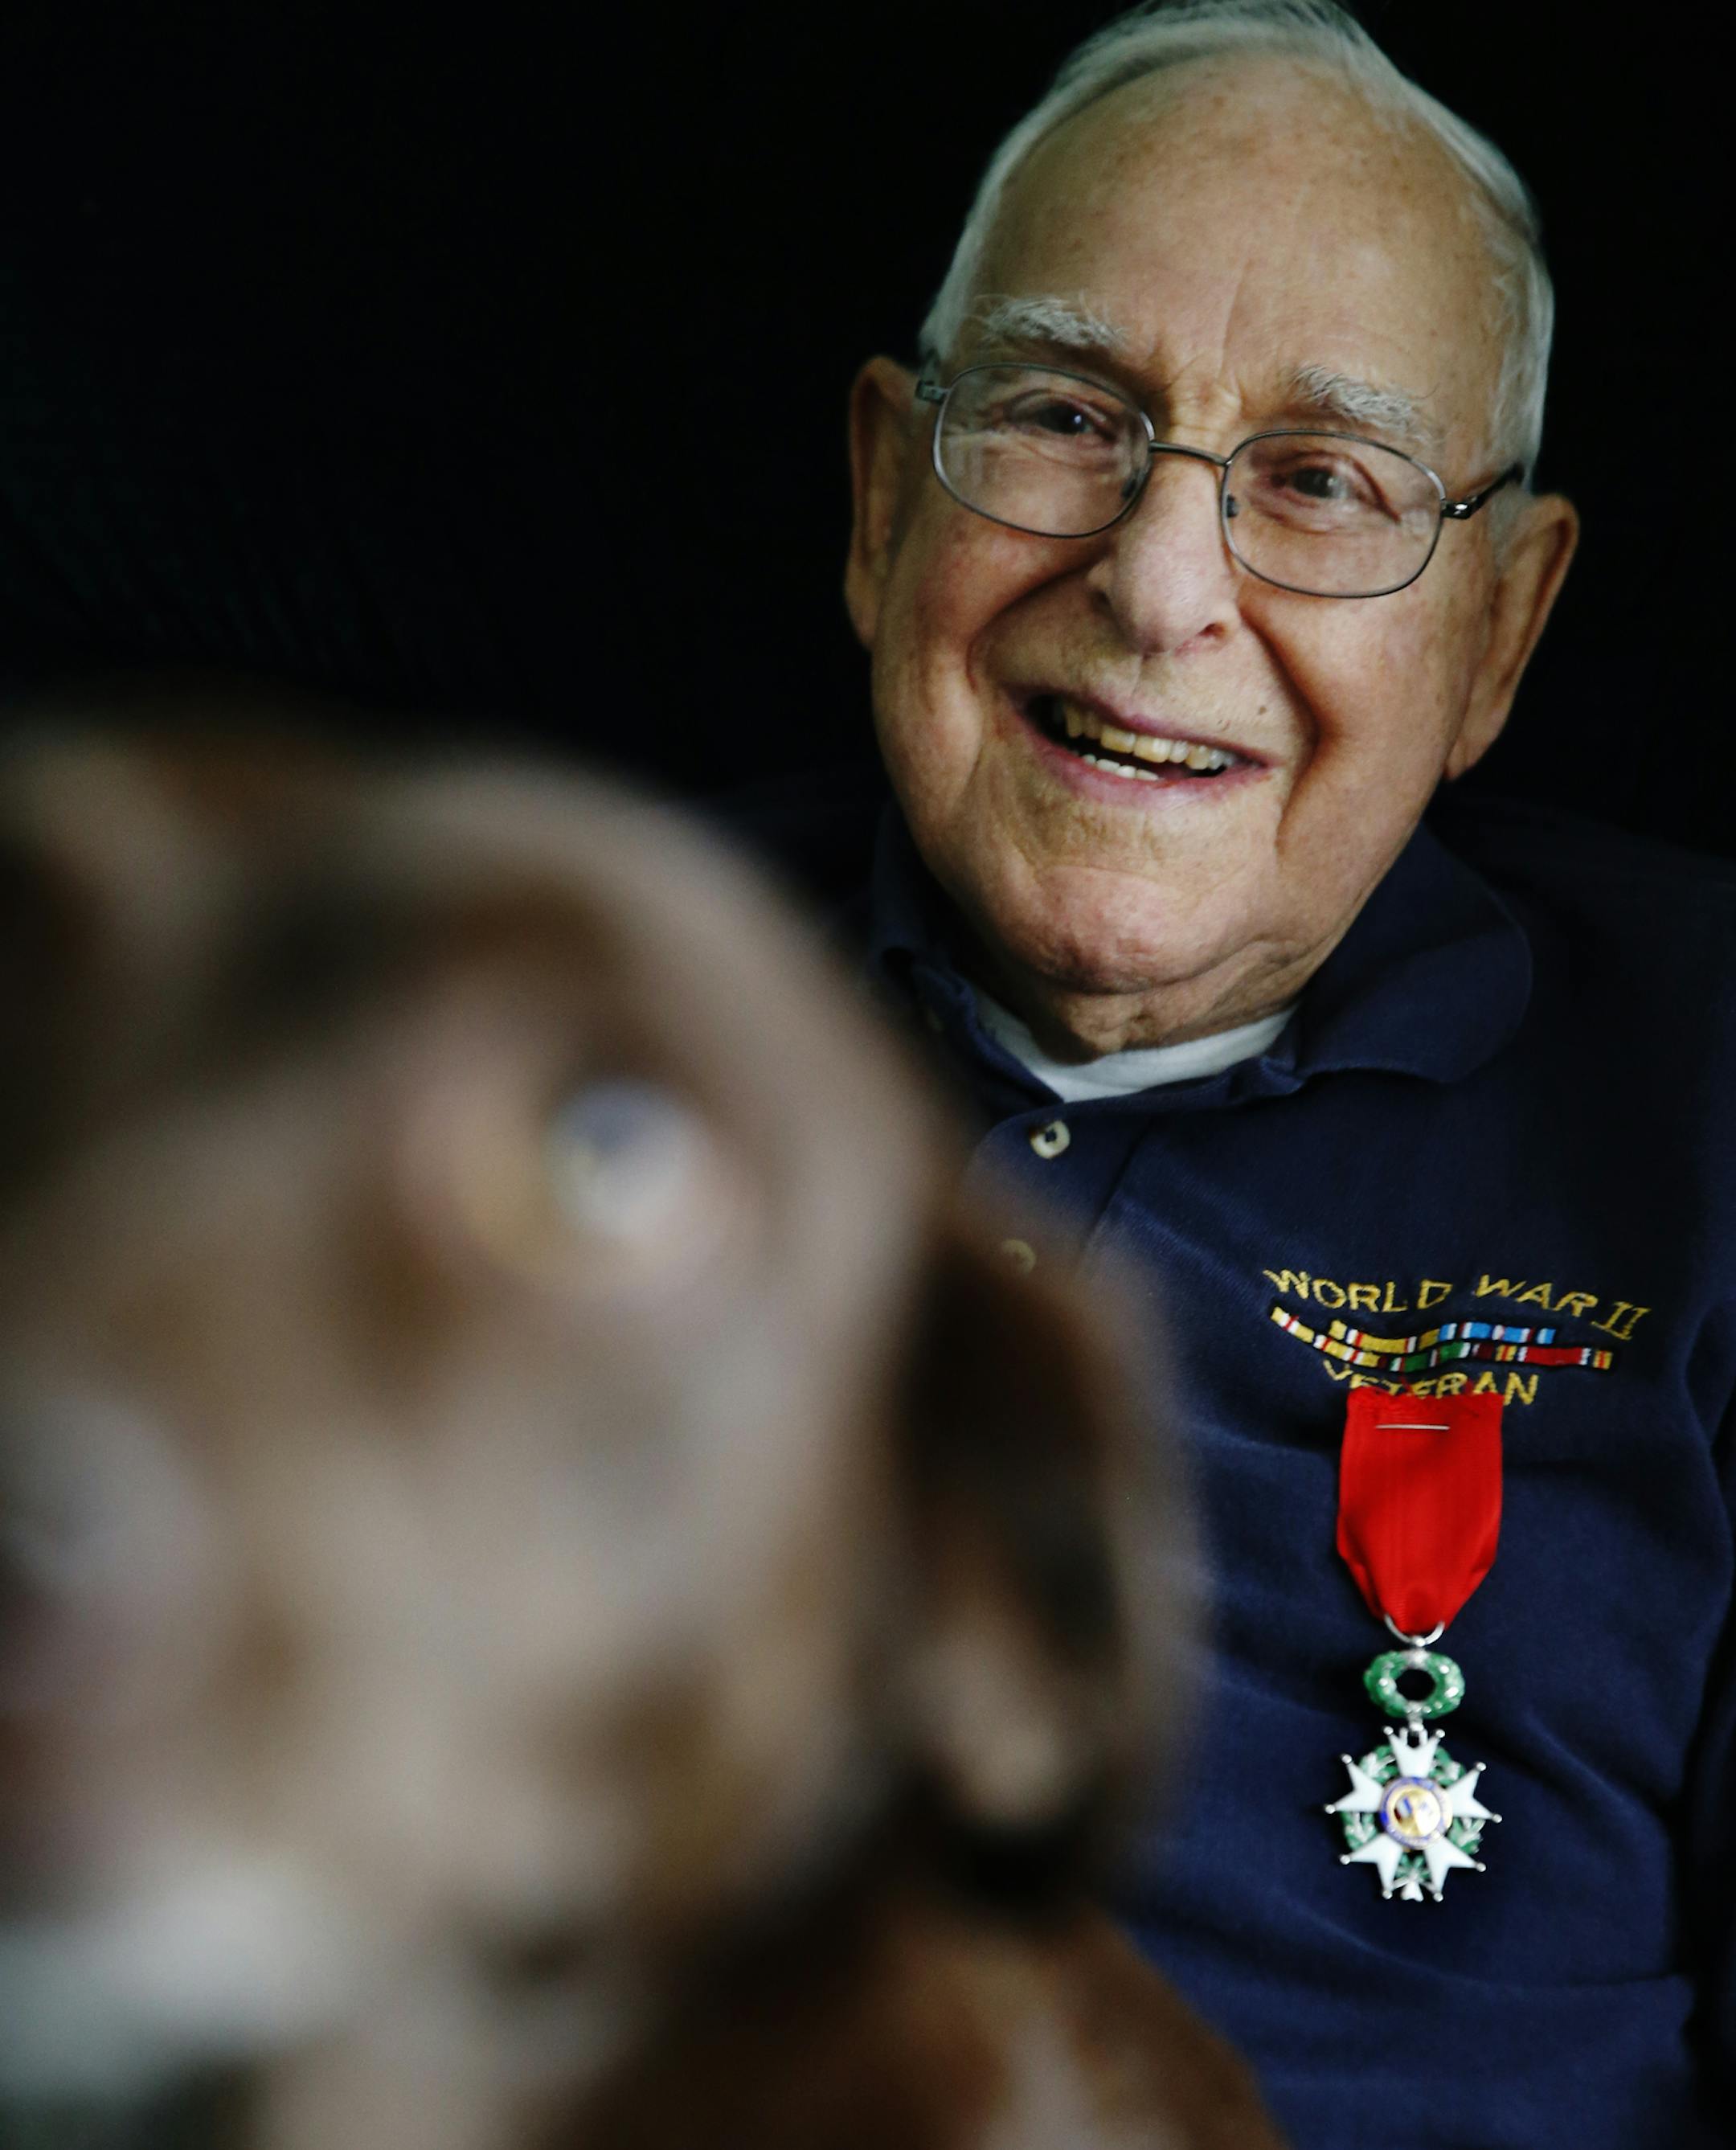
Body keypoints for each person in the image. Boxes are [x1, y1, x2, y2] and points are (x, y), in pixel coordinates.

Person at [719, 2, 1736, 2144]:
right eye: (1066, 417)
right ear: (882, 495)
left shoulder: (1707, 1094)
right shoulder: (580, 989)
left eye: (1323, 483)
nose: (1162, 580)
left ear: (1499, 636)